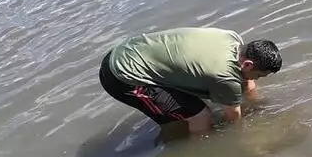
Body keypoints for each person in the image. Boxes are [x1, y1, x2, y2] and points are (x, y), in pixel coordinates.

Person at [98, 27, 282, 135]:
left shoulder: (232, 38)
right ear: (248, 64)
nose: (257, 79)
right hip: (122, 77)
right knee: (201, 117)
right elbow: (234, 119)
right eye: (260, 75)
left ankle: (175, 134)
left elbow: (246, 81)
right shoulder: (225, 78)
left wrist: (257, 103)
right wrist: (243, 136)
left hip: (128, 50)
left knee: (183, 113)